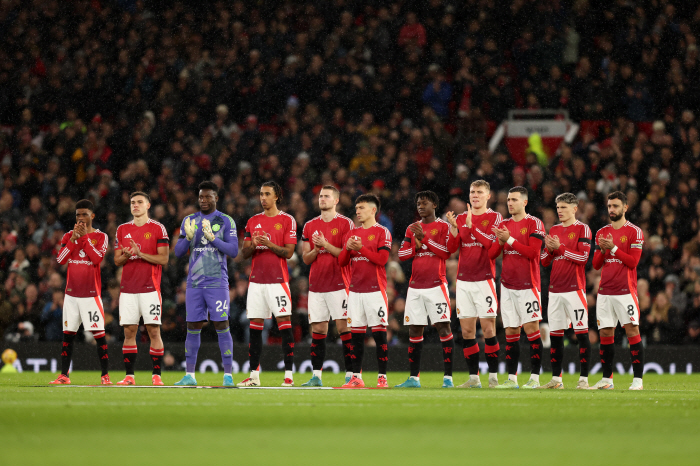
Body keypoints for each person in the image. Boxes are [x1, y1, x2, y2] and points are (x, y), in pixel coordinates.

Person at [173, 181, 239, 386]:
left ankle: (228, 375)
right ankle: (190, 376)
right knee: (192, 325)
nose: (203, 200)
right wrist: (187, 237)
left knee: (222, 324)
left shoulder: (226, 221)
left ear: (216, 198)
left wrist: (213, 239)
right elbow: (176, 252)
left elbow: (234, 251)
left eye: (208, 196)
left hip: (217, 282)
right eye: (201, 197)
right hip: (194, 283)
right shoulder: (190, 220)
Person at [396, 191, 459, 388]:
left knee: (443, 328)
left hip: (436, 286)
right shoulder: (411, 228)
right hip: (415, 287)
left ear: (434, 205)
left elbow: (447, 253)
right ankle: (414, 378)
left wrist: (425, 240)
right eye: (418, 203)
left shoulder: (442, 227)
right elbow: (402, 254)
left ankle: (448, 378)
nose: (420, 206)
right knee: (414, 330)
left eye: (424, 203)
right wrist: (416, 244)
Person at [238, 181, 297, 387]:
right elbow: (244, 254)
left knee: (284, 326)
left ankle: (288, 375)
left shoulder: (287, 220)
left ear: (277, 197)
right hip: (256, 282)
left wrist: (269, 244)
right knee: (255, 329)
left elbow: (288, 252)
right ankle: (254, 376)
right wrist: (254, 244)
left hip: (278, 282)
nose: (262, 198)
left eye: (267, 194)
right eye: (261, 194)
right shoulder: (253, 221)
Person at [489, 187, 545, 389]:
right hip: (508, 285)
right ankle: (512, 379)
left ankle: (535, 379)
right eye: (508, 199)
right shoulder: (503, 224)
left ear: (524, 202)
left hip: (528, 285)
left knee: (531, 331)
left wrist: (509, 239)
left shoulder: (534, 223)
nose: (509, 203)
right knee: (511, 332)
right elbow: (493, 254)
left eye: (514, 199)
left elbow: (532, 253)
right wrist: (497, 239)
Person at [50, 199, 111, 385]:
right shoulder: (69, 235)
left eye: (85, 214)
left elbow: (96, 258)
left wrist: (83, 238)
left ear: (92, 216)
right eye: (78, 215)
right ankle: (63, 375)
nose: (81, 218)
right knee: (68, 335)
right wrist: (74, 240)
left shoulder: (101, 236)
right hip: (71, 296)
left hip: (91, 295)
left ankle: (105, 376)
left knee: (99, 335)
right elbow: (60, 260)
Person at [300, 186, 355, 387]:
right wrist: (316, 249)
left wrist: (325, 244)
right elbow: (306, 258)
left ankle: (351, 375)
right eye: (321, 196)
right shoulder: (309, 225)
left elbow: (345, 256)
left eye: (327, 196)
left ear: (336, 201)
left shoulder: (345, 223)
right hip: (316, 286)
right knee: (318, 329)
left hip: (339, 284)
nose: (322, 199)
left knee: (343, 328)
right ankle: (316, 376)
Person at [113, 192, 169, 386]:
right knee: (129, 332)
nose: (135, 205)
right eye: (132, 203)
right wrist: (128, 255)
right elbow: (117, 260)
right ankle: (129, 376)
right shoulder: (122, 230)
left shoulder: (157, 228)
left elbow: (164, 259)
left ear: (148, 206)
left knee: (154, 331)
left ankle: (157, 375)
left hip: (150, 289)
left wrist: (140, 253)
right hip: (128, 289)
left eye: (139, 202)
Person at [591, 191, 645, 390]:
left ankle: (638, 380)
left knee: (632, 330)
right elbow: (596, 265)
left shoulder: (634, 232)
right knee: (605, 332)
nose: (611, 210)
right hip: (605, 291)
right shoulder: (601, 232)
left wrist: (613, 248)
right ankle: (607, 379)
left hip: (625, 291)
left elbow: (633, 262)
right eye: (609, 206)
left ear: (625, 208)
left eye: (615, 206)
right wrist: (604, 250)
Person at [339, 194, 392, 388]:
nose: (357, 211)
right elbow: (342, 262)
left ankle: (382, 377)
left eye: (361, 208)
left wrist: (360, 248)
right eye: (356, 208)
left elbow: (382, 260)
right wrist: (347, 248)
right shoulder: (352, 234)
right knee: (357, 336)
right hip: (355, 291)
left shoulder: (382, 232)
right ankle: (356, 377)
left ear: (373, 210)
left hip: (375, 291)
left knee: (379, 334)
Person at [539, 193, 592, 389]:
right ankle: (556, 379)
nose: (559, 211)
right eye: (558, 207)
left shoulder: (582, 228)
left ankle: (584, 380)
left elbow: (583, 258)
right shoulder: (554, 229)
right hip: (555, 290)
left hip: (574, 290)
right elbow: (544, 261)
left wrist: (559, 248)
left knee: (581, 334)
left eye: (563, 207)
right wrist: (550, 249)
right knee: (556, 335)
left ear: (574, 209)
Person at [453, 180, 503, 388]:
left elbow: (493, 249)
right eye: (472, 192)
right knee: (466, 332)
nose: (475, 195)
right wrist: (454, 230)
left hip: (484, 279)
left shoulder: (495, 218)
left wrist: (473, 229)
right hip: (464, 280)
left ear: (488, 196)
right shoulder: (461, 217)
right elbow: (455, 248)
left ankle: (492, 376)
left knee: (489, 329)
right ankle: (474, 378)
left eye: (479, 192)